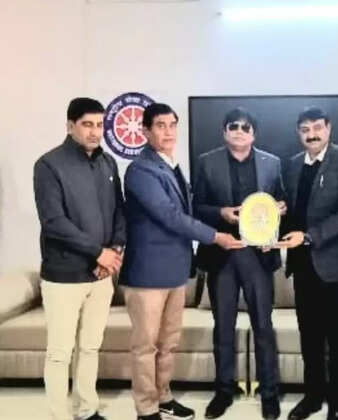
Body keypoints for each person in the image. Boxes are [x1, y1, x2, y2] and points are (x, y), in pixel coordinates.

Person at [121, 103, 242, 420]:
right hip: (147, 273)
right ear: (145, 131)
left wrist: (221, 213)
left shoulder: (171, 165)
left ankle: (163, 396)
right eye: (160, 125)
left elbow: (187, 209)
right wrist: (215, 236)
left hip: (175, 272)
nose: (168, 131)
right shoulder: (141, 170)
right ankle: (146, 408)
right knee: (145, 346)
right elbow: (169, 215)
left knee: (168, 343)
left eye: (172, 125)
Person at [33, 97, 126, 420]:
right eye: (87, 124)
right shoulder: (48, 165)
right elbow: (54, 222)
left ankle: (87, 410)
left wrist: (114, 250)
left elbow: (119, 211)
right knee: (60, 353)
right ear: (70, 126)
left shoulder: (108, 163)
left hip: (101, 275)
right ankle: (59, 415)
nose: (95, 132)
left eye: (100, 125)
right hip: (64, 275)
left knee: (90, 347)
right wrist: (98, 252)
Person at [193, 107, 286, 420]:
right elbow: (196, 207)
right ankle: (224, 391)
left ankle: (269, 393)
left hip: (258, 255)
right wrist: (220, 213)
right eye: (233, 126)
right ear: (224, 131)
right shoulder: (207, 162)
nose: (239, 131)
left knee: (263, 326)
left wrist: (280, 209)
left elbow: (282, 202)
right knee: (223, 327)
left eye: (246, 127)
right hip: (223, 253)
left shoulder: (272, 163)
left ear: (254, 134)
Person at [277, 107, 338, 420]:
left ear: (328, 128)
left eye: (316, 127)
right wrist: (280, 210)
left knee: (337, 336)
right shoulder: (291, 165)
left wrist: (310, 236)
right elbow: (294, 209)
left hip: (335, 263)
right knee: (309, 336)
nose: (311, 134)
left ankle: (337, 403)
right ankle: (313, 397)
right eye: (305, 129)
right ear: (298, 133)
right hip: (302, 265)